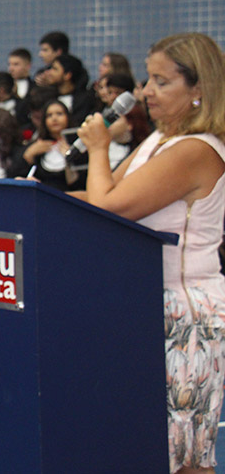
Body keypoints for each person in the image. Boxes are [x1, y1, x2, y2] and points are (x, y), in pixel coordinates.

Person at [75, 33, 225, 474]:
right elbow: (102, 195)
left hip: (185, 314)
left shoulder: (196, 149)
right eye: (147, 79)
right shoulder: (158, 140)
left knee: (183, 454)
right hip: (143, 303)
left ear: (198, 89)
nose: (145, 92)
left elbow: (109, 205)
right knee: (150, 445)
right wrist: (38, 196)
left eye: (161, 81)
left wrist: (99, 147)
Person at [11, 99, 85, 190]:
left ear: (68, 117)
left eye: (59, 114)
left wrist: (70, 158)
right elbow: (16, 174)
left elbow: (79, 183)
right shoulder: (39, 145)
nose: (54, 118)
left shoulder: (79, 145)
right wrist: (29, 154)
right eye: (49, 115)